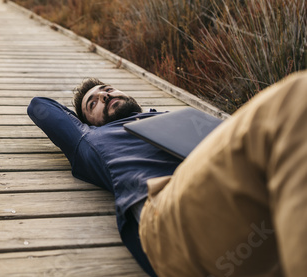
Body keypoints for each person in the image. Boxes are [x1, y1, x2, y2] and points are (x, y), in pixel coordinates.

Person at [27, 71, 307, 277]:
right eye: (94, 103)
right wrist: (82, 121)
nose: (104, 94)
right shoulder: (91, 141)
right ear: (88, 122)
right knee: (295, 96)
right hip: (167, 213)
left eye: (108, 88)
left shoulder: (169, 118)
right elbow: (40, 106)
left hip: (235, 204)